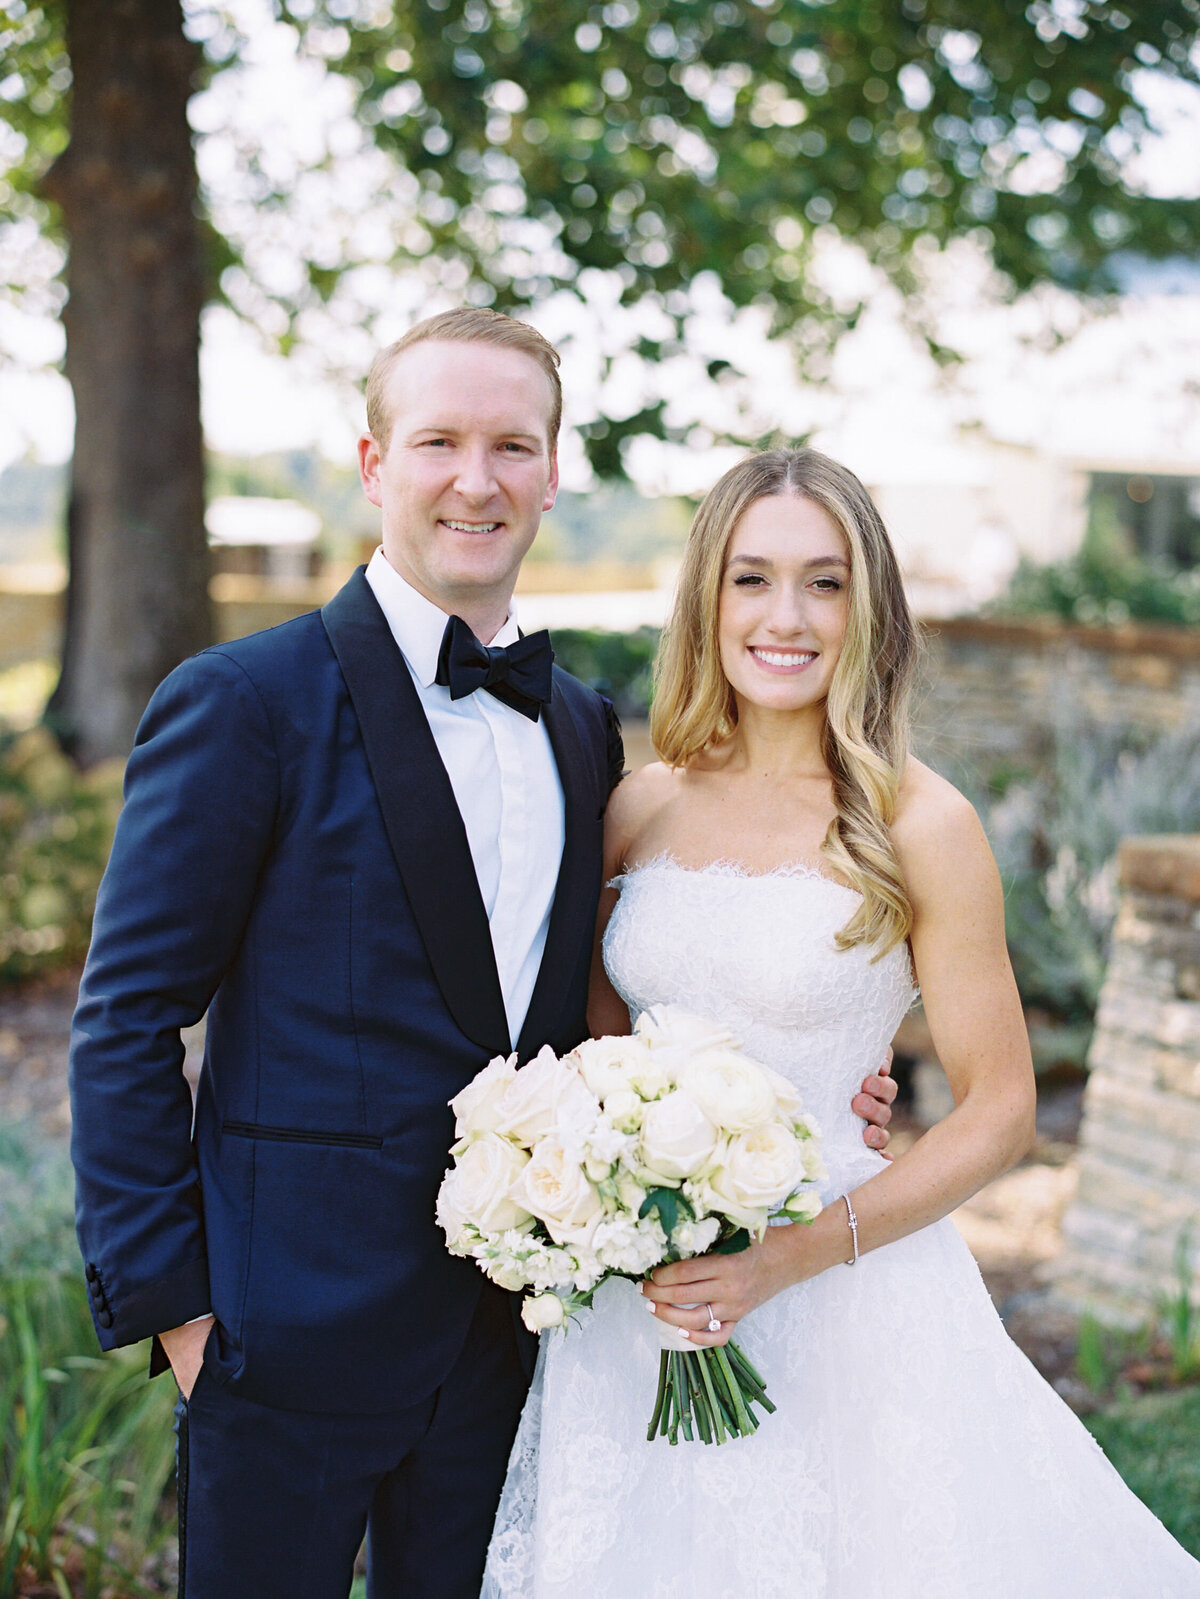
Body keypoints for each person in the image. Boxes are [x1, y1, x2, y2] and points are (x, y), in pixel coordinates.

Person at [68, 315, 898, 1599]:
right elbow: (124, 1019)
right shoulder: (245, 705)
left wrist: (802, 1083)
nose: (477, 479)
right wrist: (181, 1313)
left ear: (552, 471)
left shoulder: (580, 730)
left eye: (512, 445)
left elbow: (602, 1011)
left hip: (517, 1336)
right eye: (440, 441)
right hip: (279, 1335)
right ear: (371, 462)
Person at [482, 447, 1200, 1598]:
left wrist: (792, 1254)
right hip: (646, 1298)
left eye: (825, 582)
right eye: (753, 579)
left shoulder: (922, 822)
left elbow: (1002, 1105)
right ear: (707, 598)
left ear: (870, 609)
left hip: (844, 1286)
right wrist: (615, 1170)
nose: (787, 617)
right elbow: (595, 1025)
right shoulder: (643, 800)